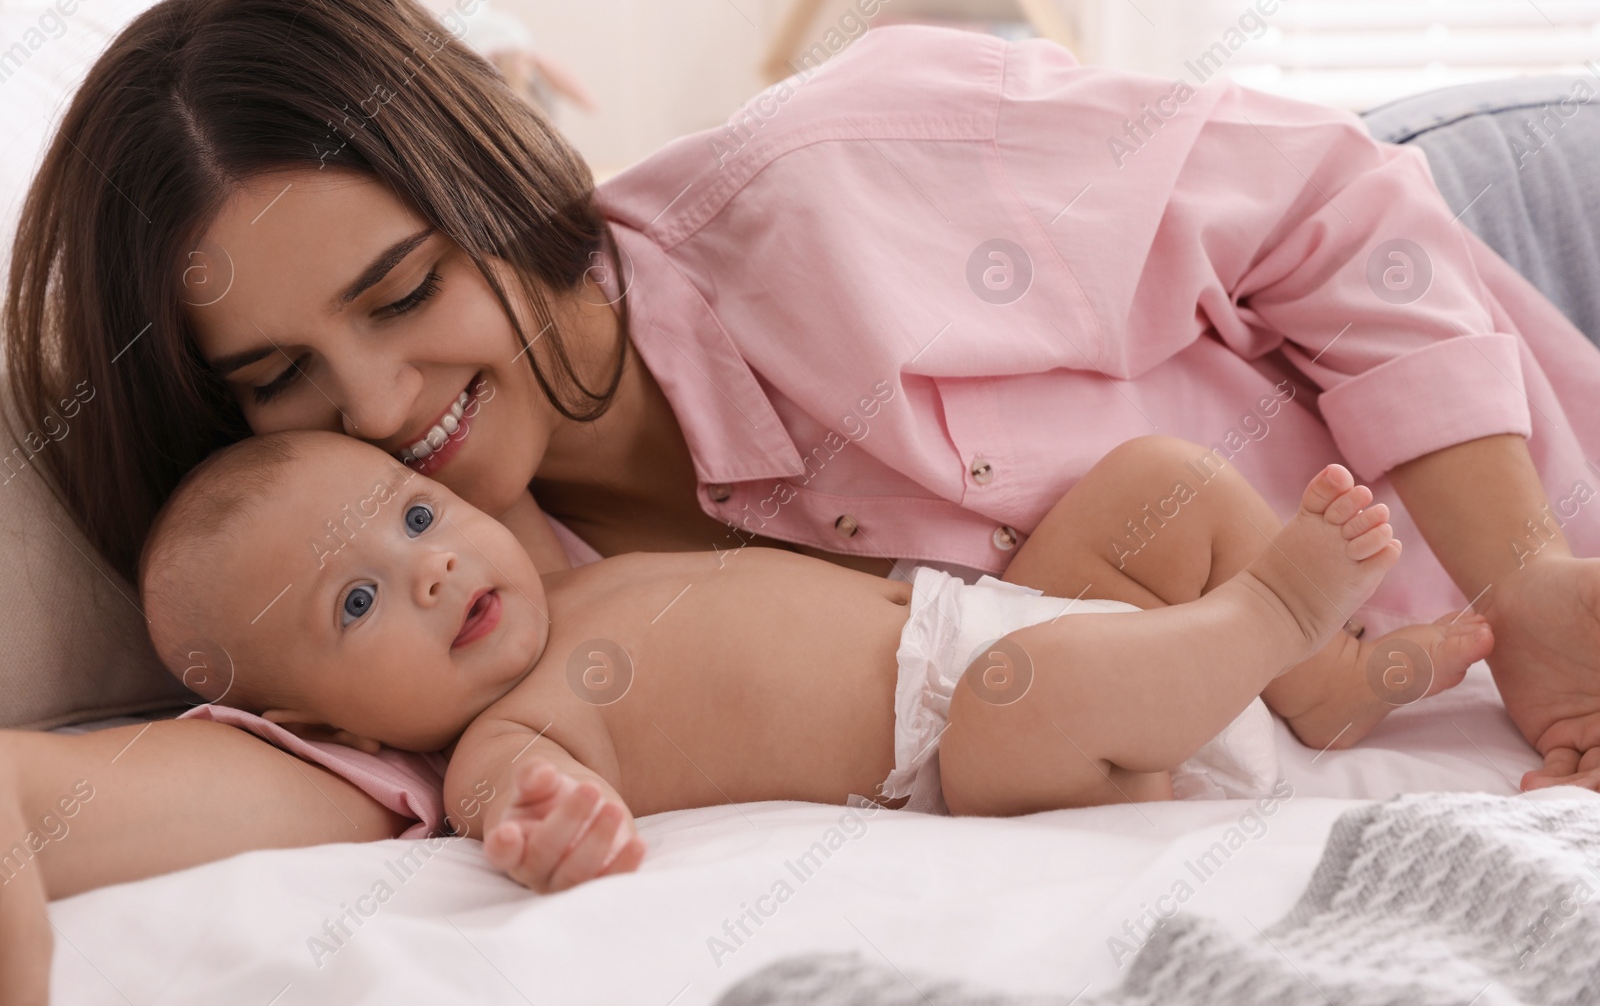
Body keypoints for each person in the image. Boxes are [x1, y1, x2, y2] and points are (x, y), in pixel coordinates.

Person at [4, 0, 1600, 994]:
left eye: (404, 289)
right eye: (282, 381)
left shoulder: (848, 174)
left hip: (1479, 291)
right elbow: (231, 778)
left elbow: (1337, 211)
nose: (376, 402)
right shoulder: (450, 608)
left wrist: (1522, 570)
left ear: (490, 181)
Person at [134, 430, 1482, 891]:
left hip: (986, 615)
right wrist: (545, 826)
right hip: (979, 749)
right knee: (1023, 703)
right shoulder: (504, 735)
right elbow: (509, 810)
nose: (427, 565)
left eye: (415, 515)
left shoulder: (574, 574)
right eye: (357, 600)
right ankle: (1272, 618)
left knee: (1161, 483)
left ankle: (1321, 684)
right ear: (325, 721)